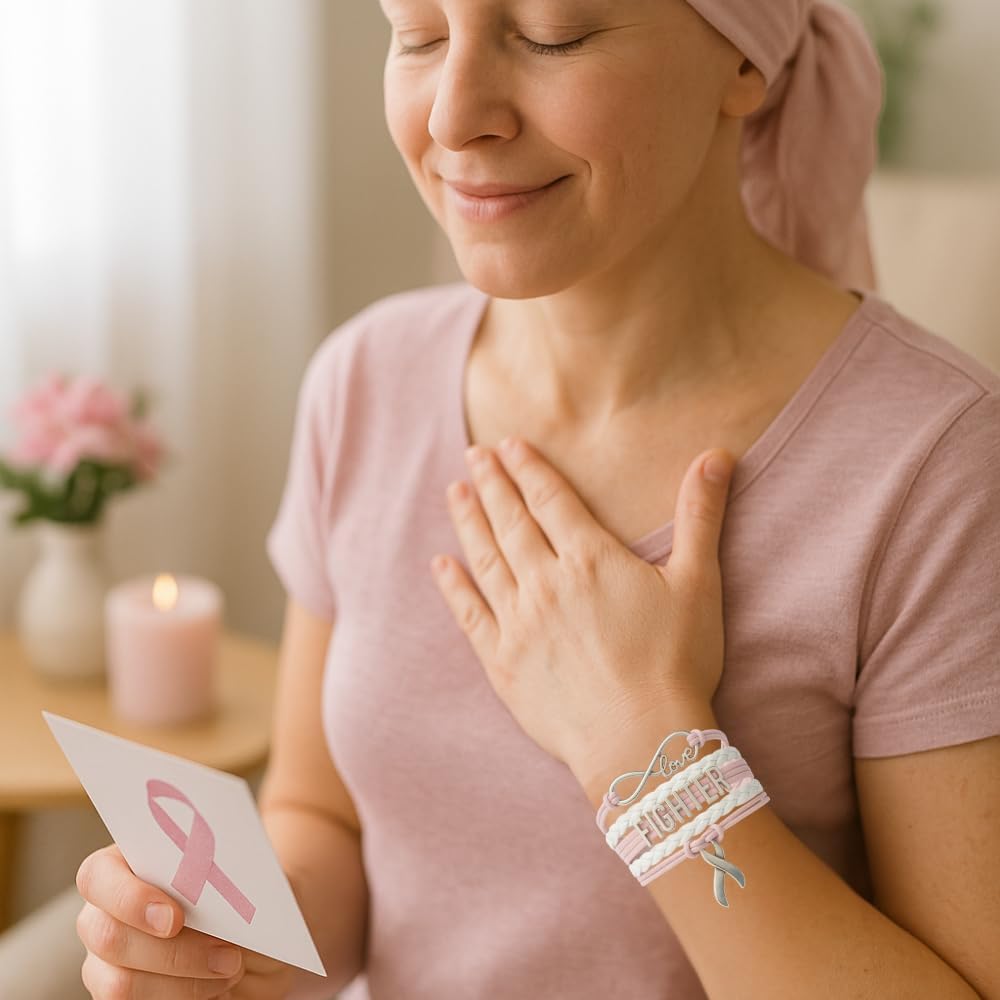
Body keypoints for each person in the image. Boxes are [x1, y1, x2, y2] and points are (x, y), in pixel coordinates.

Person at [73, 1, 1000, 998]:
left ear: (743, 61)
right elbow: (325, 818)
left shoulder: (936, 466)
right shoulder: (364, 380)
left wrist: (642, 748)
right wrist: (223, 948)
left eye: (552, 34)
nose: (452, 116)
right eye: (419, 35)